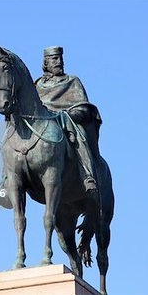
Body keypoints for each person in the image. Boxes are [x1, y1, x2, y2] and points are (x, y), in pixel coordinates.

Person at [35, 46, 102, 195]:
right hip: (42, 126)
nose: (59, 62)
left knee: (80, 136)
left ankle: (87, 175)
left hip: (67, 121)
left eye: (60, 58)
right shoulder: (37, 85)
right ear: (45, 63)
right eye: (54, 59)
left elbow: (83, 106)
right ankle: (6, 178)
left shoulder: (72, 81)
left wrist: (69, 114)